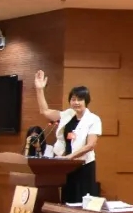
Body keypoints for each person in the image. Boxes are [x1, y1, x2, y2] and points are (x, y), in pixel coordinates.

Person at [34, 70, 102, 203]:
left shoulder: (93, 119)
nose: (76, 102)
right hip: (66, 166)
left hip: (84, 166)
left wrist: (69, 157)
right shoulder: (68, 114)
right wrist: (39, 89)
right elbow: (45, 111)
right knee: (68, 201)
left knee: (83, 202)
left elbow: (90, 145)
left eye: (80, 99)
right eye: (73, 99)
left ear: (86, 101)